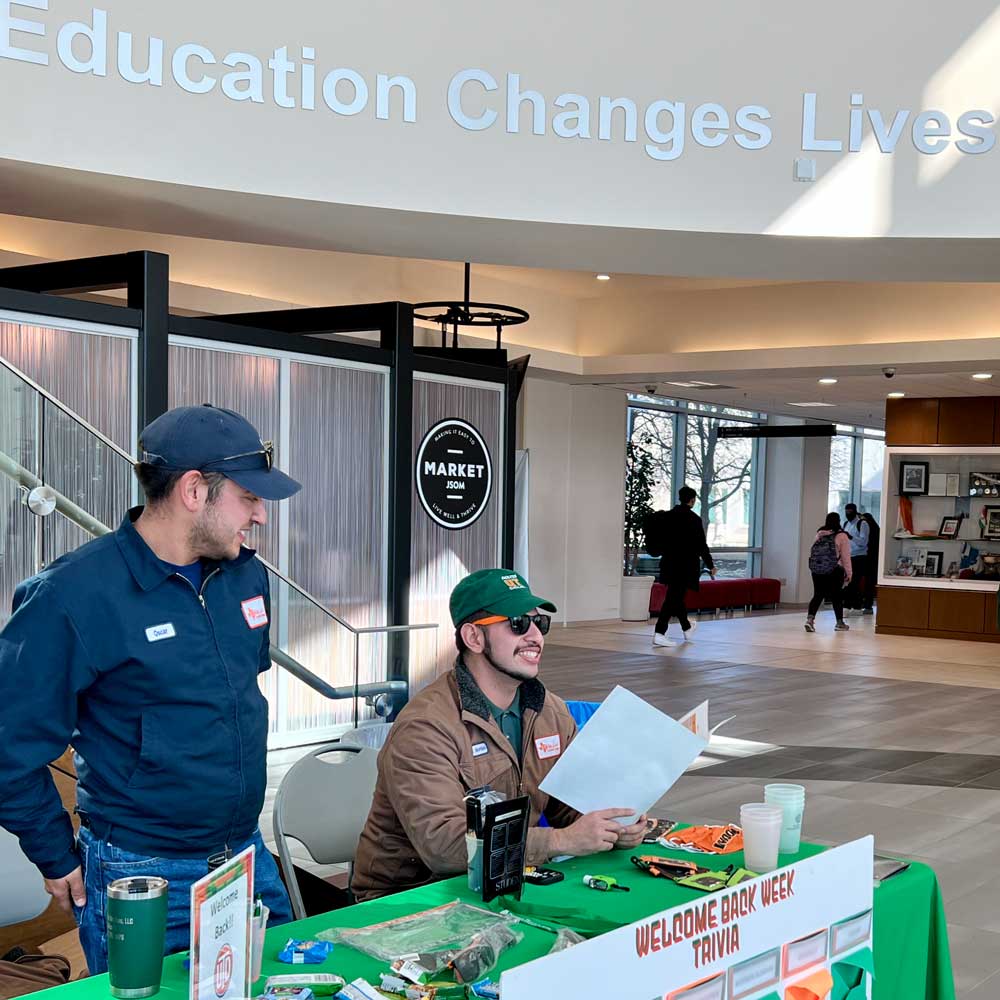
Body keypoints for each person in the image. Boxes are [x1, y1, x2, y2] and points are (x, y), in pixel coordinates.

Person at [0, 404, 301, 974]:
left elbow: (232, 696)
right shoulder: (72, 595)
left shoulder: (245, 574)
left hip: (245, 857)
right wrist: (54, 854)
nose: (261, 515)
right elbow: (8, 745)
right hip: (141, 874)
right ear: (194, 490)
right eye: (249, 497)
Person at [351, 568, 648, 902]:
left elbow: (573, 807)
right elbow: (445, 847)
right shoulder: (425, 727)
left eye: (541, 623)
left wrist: (615, 826)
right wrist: (561, 841)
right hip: (413, 897)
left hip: (508, 880)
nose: (536, 636)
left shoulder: (549, 711)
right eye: (518, 623)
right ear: (474, 638)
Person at [651, 485, 716, 648]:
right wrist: (710, 564)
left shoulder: (667, 517)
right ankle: (659, 632)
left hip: (668, 564)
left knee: (676, 597)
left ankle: (687, 628)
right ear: (692, 500)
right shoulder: (694, 520)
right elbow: (702, 545)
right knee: (673, 598)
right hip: (685, 566)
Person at [805, 512, 852, 633]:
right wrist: (849, 573)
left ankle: (809, 620)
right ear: (838, 521)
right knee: (836, 595)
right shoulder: (842, 536)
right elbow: (846, 557)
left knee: (818, 594)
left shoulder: (820, 534)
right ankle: (839, 623)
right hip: (834, 569)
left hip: (817, 569)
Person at [842, 502, 869, 612]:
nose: (848, 513)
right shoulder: (845, 524)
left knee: (854, 581)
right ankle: (856, 606)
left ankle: (849, 606)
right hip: (848, 557)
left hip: (859, 557)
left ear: (854, 511)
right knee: (849, 581)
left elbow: (863, 542)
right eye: (846, 511)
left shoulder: (862, 524)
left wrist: (851, 537)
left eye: (850, 511)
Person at [860, 512, 880, 614]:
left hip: (867, 559)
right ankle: (868, 605)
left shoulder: (867, 530)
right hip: (874, 560)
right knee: (869, 583)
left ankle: (865, 604)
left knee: (867, 583)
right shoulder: (876, 529)